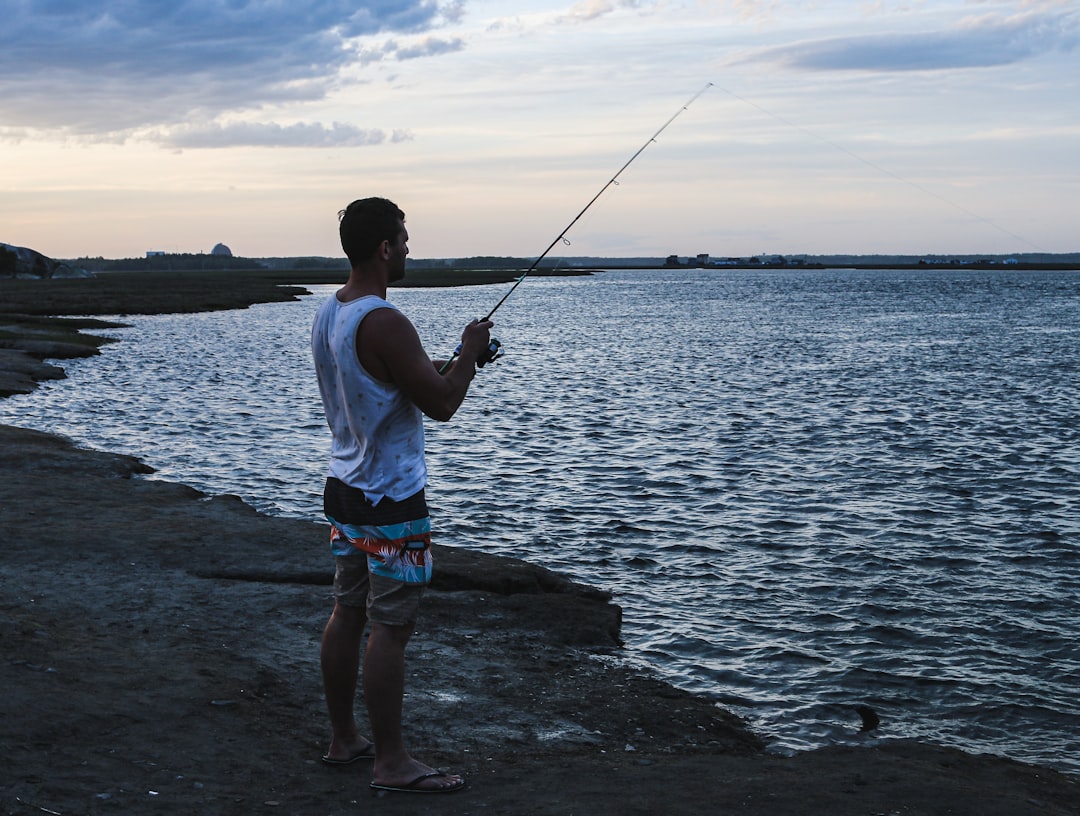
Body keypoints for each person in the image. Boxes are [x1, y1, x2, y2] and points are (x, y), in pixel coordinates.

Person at [310, 197, 492, 794]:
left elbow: (387, 386)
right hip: (392, 499)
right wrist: (466, 354)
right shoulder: (385, 321)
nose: (410, 248)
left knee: (347, 610)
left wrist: (453, 363)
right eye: (405, 239)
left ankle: (345, 740)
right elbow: (441, 404)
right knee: (389, 627)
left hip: (346, 488)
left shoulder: (329, 313)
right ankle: (391, 763)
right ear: (385, 248)